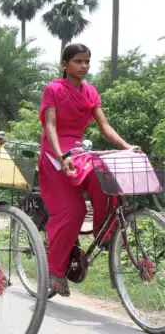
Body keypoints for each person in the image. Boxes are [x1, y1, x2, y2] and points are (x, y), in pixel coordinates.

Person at [38, 43, 135, 297]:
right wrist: (60, 156)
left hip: (79, 151)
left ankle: (103, 234)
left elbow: (104, 126)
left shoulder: (91, 92)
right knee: (73, 210)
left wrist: (126, 146)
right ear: (65, 64)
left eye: (87, 61)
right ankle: (56, 270)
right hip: (55, 153)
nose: (84, 66)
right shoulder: (54, 89)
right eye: (78, 61)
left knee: (103, 177)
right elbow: (50, 126)